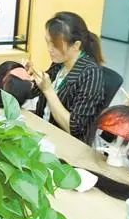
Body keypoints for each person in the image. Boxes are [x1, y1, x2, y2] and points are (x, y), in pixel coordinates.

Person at [26, 11, 105, 143]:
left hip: (67, 145)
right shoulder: (60, 63)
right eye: (48, 42)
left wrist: (48, 90)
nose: (49, 49)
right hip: (44, 132)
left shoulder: (91, 74)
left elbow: (74, 128)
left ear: (76, 45)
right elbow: (33, 92)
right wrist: (27, 77)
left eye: (55, 45)